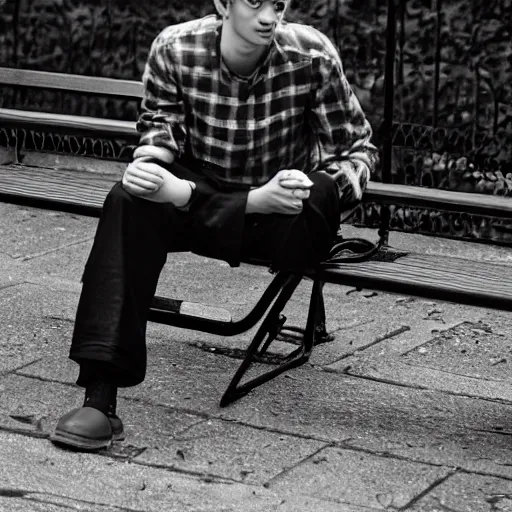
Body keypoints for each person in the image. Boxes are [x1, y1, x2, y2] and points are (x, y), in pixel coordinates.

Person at [51, 0, 378, 451]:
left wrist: (309, 186)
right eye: (254, 2)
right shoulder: (176, 48)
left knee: (319, 193)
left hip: (278, 217)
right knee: (128, 199)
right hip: (197, 205)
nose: (268, 17)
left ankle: (216, 197)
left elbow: (356, 152)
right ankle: (99, 396)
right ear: (223, 3)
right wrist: (147, 170)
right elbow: (159, 131)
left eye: (278, 5)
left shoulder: (313, 55)